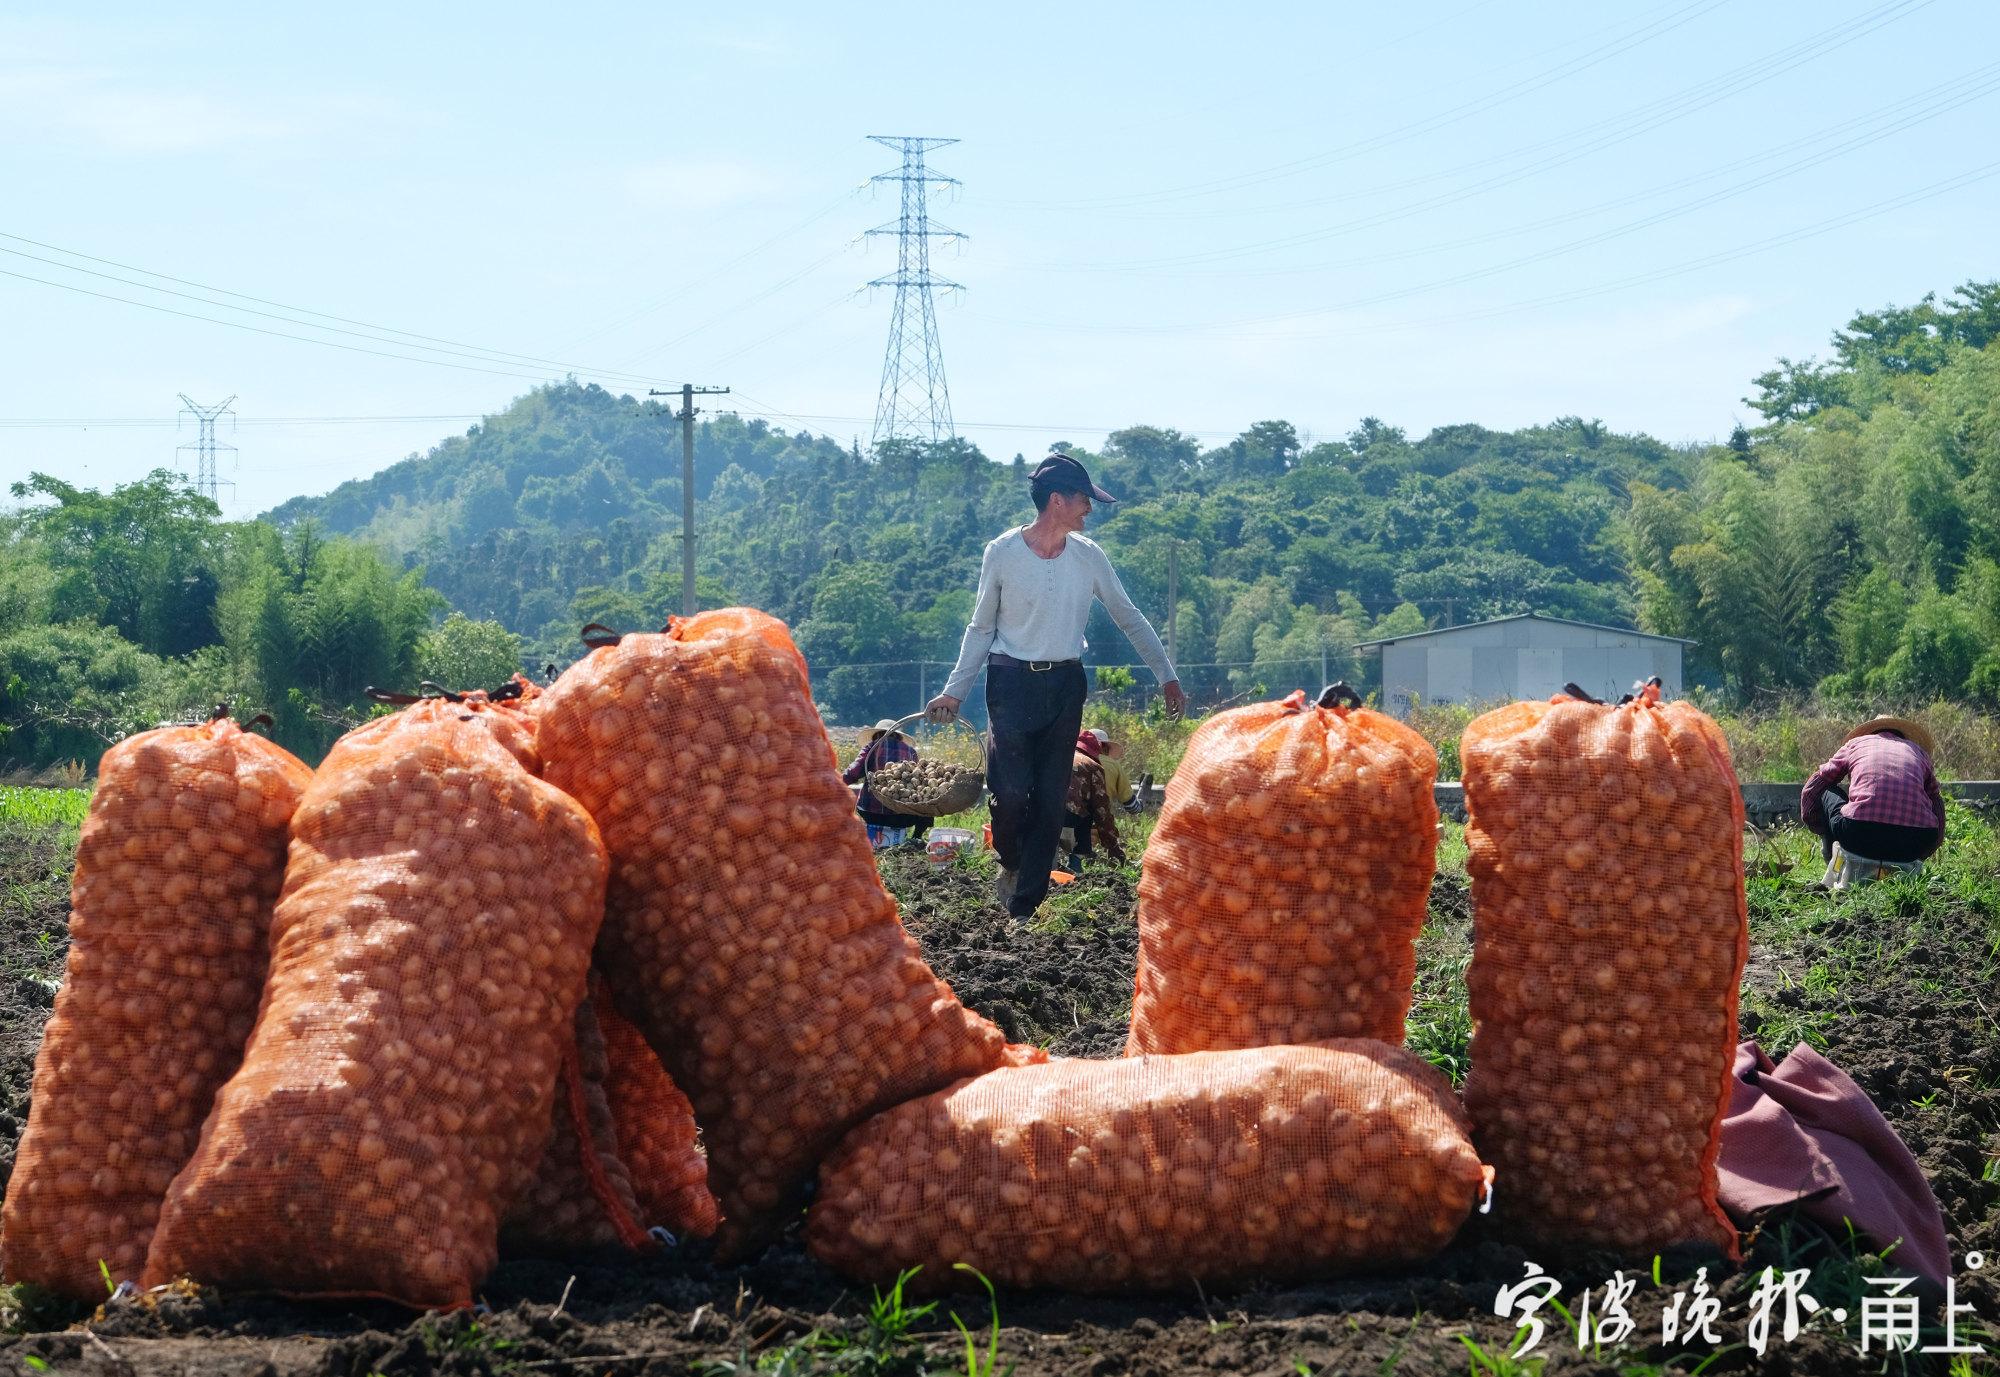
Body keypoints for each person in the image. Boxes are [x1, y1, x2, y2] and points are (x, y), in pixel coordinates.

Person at [926, 451, 1184, 917]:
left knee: (1050, 796)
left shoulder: (1088, 557)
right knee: (1009, 793)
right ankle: (1013, 861)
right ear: (1058, 501)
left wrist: (1167, 675)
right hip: (1010, 684)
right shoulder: (1002, 553)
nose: (1090, 508)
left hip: (1065, 684)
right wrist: (954, 690)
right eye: (1084, 499)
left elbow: (1129, 618)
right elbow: (981, 628)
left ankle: (1025, 904)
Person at [1799, 715, 1946, 867]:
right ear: (1902, 737)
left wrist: (1820, 827)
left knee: (1826, 789)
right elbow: (1936, 800)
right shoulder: (1919, 753)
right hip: (1915, 842)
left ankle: (1830, 855)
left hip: (1857, 835)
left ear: (1872, 733)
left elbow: (1815, 786)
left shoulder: (1856, 744)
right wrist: (1928, 848)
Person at [841, 719, 930, 849]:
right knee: (928, 800)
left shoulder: (871, 747)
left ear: (877, 734)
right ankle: (916, 837)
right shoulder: (911, 751)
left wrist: (837, 783)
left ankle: (872, 838)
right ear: (898, 736)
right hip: (901, 816)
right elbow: (918, 782)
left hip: (872, 814)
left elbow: (853, 773)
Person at [1063, 730, 1129, 870]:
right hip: (1067, 816)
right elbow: (1102, 812)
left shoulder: (1056, 758)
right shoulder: (1093, 766)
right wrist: (1112, 845)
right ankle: (1076, 860)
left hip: (1037, 812)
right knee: (1090, 812)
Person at [1086, 727, 1140, 812]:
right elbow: (1130, 805)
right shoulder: (1113, 765)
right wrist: (1140, 806)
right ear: (1106, 748)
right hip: (1097, 819)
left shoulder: (1072, 759)